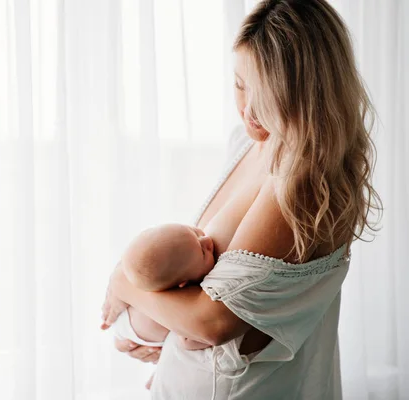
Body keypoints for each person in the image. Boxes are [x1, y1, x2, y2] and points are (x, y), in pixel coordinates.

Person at [101, 0, 382, 398]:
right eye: (239, 84)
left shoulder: (302, 183)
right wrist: (161, 334)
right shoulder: (250, 144)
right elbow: (211, 285)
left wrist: (124, 284)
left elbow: (214, 322)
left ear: (309, 93)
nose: (248, 110)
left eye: (266, 93)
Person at [109, 223, 215, 349]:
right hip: (130, 329)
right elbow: (187, 341)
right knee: (121, 341)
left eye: (195, 232)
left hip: (130, 311)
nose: (207, 240)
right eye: (203, 252)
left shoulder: (177, 264)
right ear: (183, 283)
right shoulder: (181, 302)